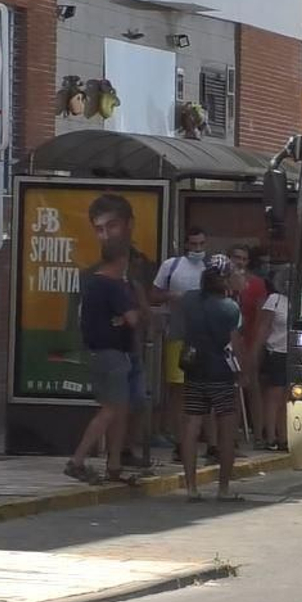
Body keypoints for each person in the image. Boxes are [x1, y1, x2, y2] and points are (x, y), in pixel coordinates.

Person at [81, 194, 155, 468]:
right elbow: (133, 316)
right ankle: (95, 459)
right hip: (113, 351)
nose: (105, 235)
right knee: (115, 406)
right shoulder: (95, 278)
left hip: (131, 347)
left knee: (135, 403)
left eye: (111, 226)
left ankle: (120, 455)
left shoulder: (142, 266)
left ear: (129, 225)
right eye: (99, 229)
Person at [65, 236, 142, 485]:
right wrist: (134, 312)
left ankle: (114, 465)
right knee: (110, 410)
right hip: (113, 355)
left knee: (119, 409)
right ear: (122, 259)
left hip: (97, 352)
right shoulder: (114, 285)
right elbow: (132, 319)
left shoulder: (92, 283)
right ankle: (77, 460)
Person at [179, 254, 245, 501]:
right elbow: (236, 345)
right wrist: (243, 372)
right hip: (221, 373)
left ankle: (191, 487)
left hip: (194, 369)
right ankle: (223, 488)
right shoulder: (230, 308)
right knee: (226, 428)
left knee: (192, 426)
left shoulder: (189, 300)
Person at [153, 226, 209, 457]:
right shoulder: (171, 266)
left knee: (201, 389)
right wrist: (172, 296)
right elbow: (154, 294)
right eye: (193, 245)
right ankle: (179, 439)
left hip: (204, 338)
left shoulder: (210, 268)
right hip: (177, 334)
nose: (197, 249)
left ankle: (197, 437)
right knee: (178, 390)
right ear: (186, 245)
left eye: (201, 245)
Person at [228, 244, 269, 446]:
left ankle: (259, 435)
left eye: (244, 259)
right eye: (237, 257)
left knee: (253, 387)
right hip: (228, 342)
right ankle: (232, 435)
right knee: (232, 390)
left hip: (249, 341)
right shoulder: (223, 283)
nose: (240, 262)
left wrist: (254, 349)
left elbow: (261, 319)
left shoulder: (257, 284)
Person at [251, 266, 291, 451]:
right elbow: (263, 328)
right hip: (275, 352)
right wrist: (254, 353)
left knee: (287, 398)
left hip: (293, 354)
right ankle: (271, 437)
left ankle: (284, 437)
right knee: (273, 397)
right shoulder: (274, 300)